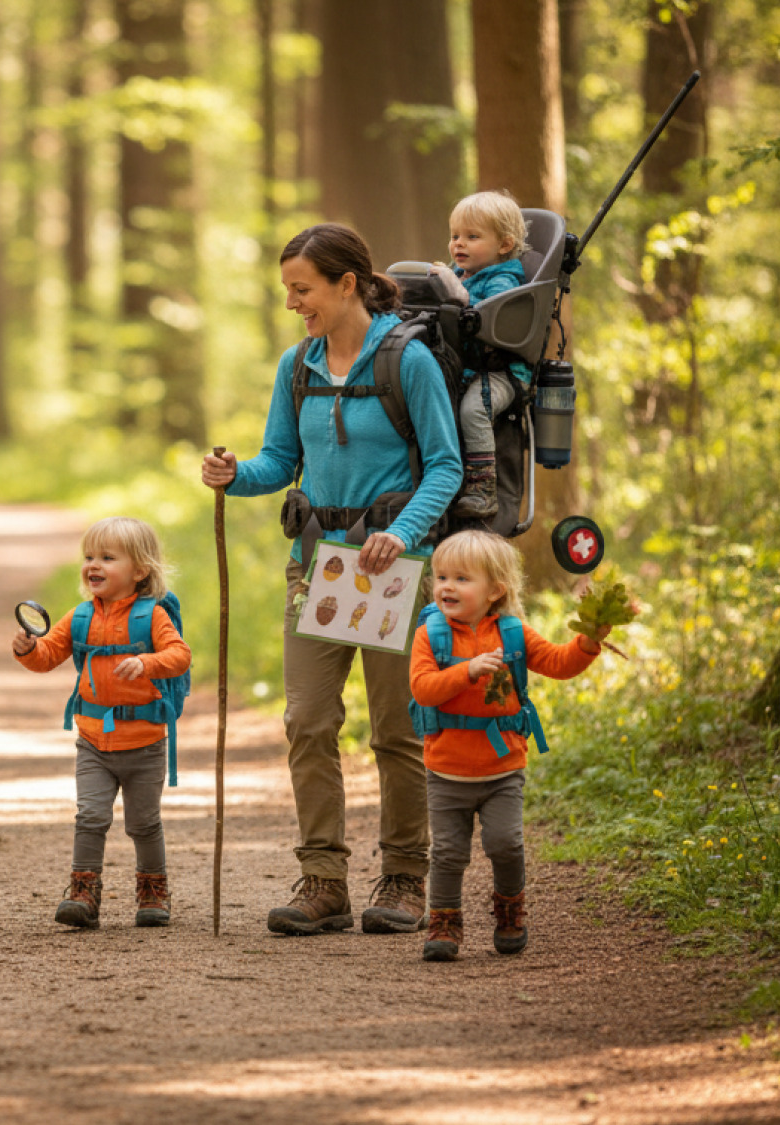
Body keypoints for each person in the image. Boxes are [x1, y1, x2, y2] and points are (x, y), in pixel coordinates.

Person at [201, 223, 463, 937]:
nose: (292, 303)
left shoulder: (409, 362)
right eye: (288, 290)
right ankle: (323, 880)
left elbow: (445, 465)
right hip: (320, 568)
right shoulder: (298, 365)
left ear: (348, 284)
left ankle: (405, 876)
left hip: (392, 569)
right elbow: (278, 461)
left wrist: (403, 532)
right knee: (308, 721)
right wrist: (234, 474)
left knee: (396, 728)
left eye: (302, 289)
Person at [408, 530, 609, 961]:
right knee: (447, 853)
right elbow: (423, 689)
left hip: (502, 769)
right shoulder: (430, 635)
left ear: (495, 590)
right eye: (441, 577)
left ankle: (510, 910)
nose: (446, 587)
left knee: (506, 844)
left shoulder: (513, 633)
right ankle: (444, 922)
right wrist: (467, 671)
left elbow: (559, 663)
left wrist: (588, 641)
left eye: (462, 579)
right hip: (446, 769)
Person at [13, 517, 191, 930]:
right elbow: (46, 657)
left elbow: (180, 655)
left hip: (145, 744)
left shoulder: (152, 616)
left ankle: (153, 891)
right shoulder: (80, 617)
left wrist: (146, 662)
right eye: (89, 556)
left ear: (140, 570)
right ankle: (83, 892)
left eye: (108, 558)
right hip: (93, 742)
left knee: (144, 824)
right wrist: (27, 649)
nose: (93, 565)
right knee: (90, 817)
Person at [446, 190, 535, 520]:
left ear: (504, 245)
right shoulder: (459, 275)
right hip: (465, 368)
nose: (459, 244)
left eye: (472, 237)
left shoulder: (504, 279)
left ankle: (483, 489)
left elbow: (491, 317)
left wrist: (455, 295)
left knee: (473, 410)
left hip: (501, 372)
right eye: (455, 236)